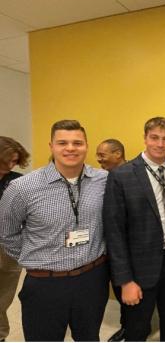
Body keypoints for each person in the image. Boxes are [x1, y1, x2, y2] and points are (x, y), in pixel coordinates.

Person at [0, 120, 109, 341]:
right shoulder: (22, 188)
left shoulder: (104, 180)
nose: (70, 148)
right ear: (51, 146)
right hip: (45, 283)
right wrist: (35, 255)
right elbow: (6, 233)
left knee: (89, 337)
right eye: (63, 143)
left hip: (93, 279)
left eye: (77, 142)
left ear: (86, 146)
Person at [103, 117, 165, 341]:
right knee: (138, 327)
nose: (160, 144)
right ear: (144, 138)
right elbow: (114, 232)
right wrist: (125, 280)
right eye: (154, 138)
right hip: (139, 267)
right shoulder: (122, 175)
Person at [96, 139, 128, 342]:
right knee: (117, 289)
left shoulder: (133, 176)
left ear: (117, 154)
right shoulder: (101, 178)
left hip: (126, 247)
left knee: (126, 290)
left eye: (102, 154)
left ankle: (130, 327)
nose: (98, 159)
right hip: (104, 247)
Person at [0, 137, 29, 342]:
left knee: (4, 297)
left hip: (9, 249)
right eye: (5, 162)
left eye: (13, 162)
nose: (9, 167)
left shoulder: (17, 181)